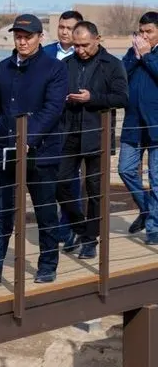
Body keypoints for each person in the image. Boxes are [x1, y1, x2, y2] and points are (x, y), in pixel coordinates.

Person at [0, 14, 67, 285]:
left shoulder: (54, 68)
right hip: (7, 151)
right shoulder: (4, 67)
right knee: (1, 210)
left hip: (41, 152)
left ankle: (47, 264)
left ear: (40, 37)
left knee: (45, 211)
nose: (22, 42)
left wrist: (28, 138)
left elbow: (52, 109)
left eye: (28, 37)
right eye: (18, 37)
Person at [55, 21, 128, 259]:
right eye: (76, 45)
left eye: (85, 45)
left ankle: (90, 240)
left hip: (97, 135)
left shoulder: (112, 64)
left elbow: (122, 98)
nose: (80, 50)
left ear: (98, 39)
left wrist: (92, 98)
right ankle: (80, 226)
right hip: (69, 134)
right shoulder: (66, 64)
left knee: (95, 190)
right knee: (59, 182)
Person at [43, 9, 85, 253]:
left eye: (70, 28)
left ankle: (69, 227)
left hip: (73, 125)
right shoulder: (46, 52)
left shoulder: (83, 54)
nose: (65, 32)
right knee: (49, 179)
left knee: (69, 179)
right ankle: (56, 228)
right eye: (61, 27)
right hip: (47, 126)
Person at [120, 11, 158, 243]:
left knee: (156, 179)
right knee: (125, 169)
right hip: (133, 124)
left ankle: (154, 228)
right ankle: (146, 209)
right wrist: (135, 57)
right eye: (140, 31)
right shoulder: (132, 53)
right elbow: (119, 77)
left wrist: (147, 56)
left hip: (156, 125)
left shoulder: (151, 55)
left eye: (149, 32)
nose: (143, 36)